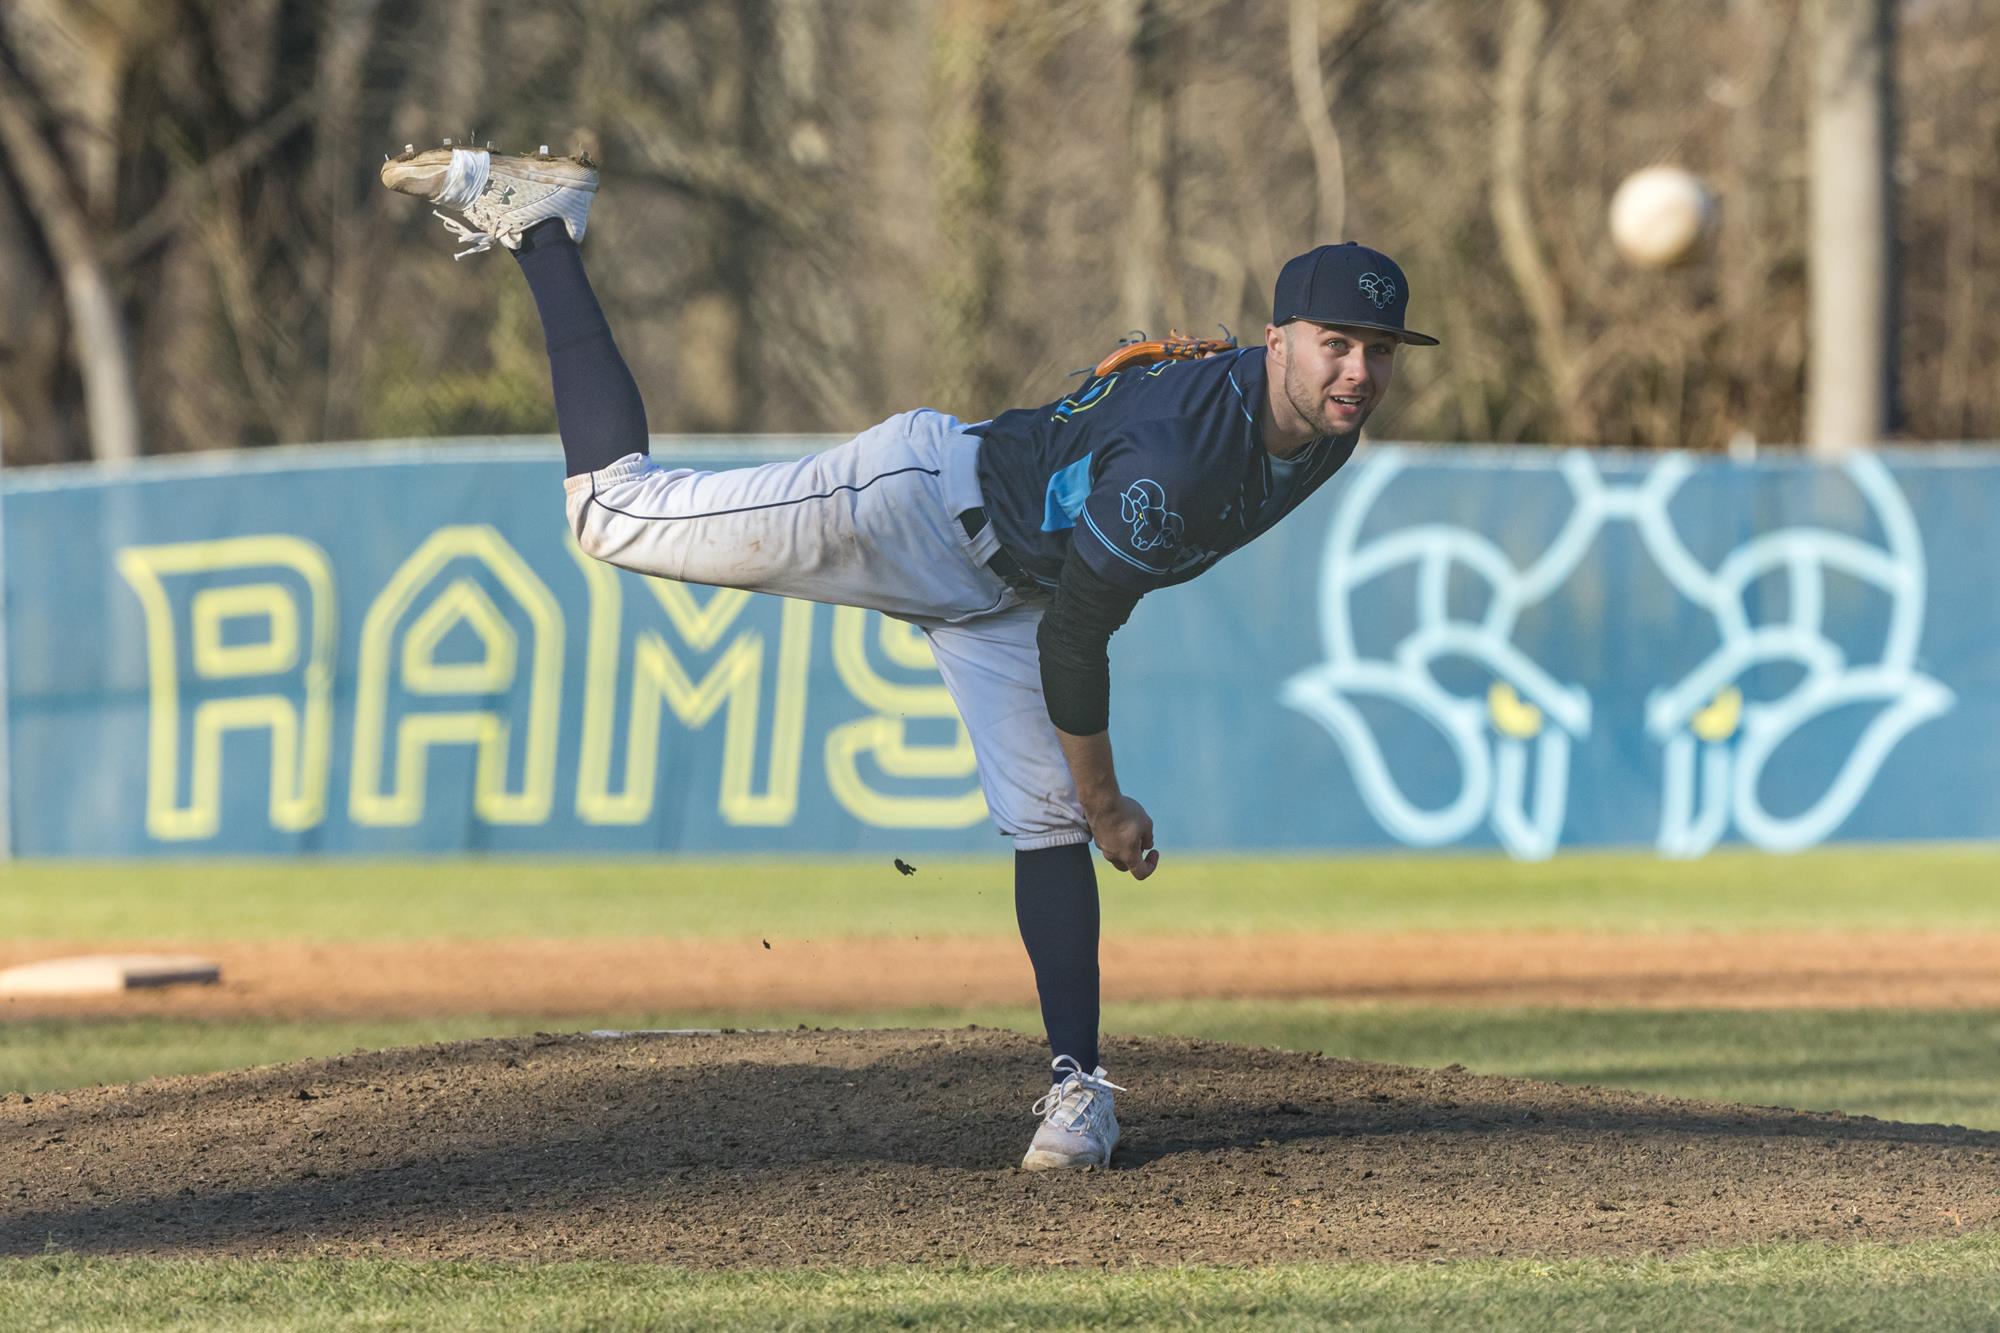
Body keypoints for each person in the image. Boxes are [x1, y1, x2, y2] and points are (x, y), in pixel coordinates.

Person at [380, 142, 1436, 1170]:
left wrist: (1085, 803)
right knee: (610, 513)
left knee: (1044, 819)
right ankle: (546, 228)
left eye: (1376, 349)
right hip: (919, 508)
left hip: (1009, 586)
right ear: (1275, 339)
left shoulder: (1324, 423)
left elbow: (1071, 595)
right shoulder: (1175, 466)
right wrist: (1114, 802)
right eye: (1333, 342)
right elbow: (1077, 640)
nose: (1356, 370)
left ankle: (1077, 1088)